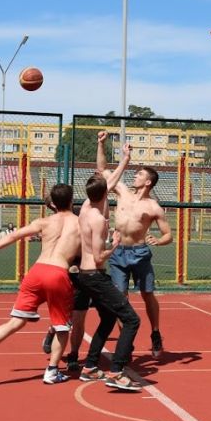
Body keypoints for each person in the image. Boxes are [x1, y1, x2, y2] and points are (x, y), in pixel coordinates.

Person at [0, 183, 83, 386]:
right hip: (58, 273)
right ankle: (52, 371)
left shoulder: (44, 222)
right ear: (72, 200)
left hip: (36, 272)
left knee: (16, 321)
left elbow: (13, 235)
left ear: (53, 204)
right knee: (62, 328)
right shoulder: (81, 224)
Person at [96, 130, 173, 358]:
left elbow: (168, 235)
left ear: (148, 182)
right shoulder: (122, 191)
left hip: (140, 253)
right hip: (118, 252)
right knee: (120, 298)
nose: (135, 176)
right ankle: (126, 341)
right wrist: (101, 144)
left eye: (139, 174)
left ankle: (155, 332)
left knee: (147, 294)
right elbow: (102, 170)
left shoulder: (153, 207)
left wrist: (158, 241)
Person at [75, 144, 144, 392]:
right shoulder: (97, 219)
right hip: (94, 274)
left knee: (108, 318)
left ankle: (90, 366)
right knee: (132, 320)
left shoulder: (86, 206)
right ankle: (116, 371)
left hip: (86, 275)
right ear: (106, 193)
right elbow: (98, 258)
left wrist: (125, 159)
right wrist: (114, 244)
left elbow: (110, 179)